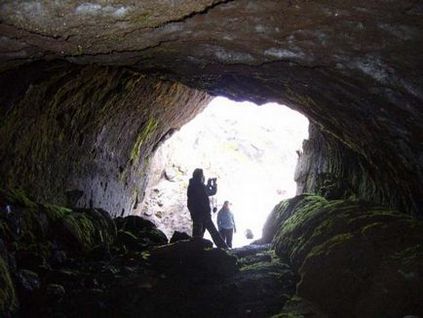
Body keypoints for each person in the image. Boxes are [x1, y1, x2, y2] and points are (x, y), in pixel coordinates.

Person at [187, 168, 228, 249]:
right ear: (200, 176)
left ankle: (195, 251)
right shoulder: (200, 186)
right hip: (203, 214)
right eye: (203, 176)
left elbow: (204, 192)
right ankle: (224, 249)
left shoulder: (192, 185)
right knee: (213, 233)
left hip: (196, 214)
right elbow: (212, 192)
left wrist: (208, 184)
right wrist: (213, 184)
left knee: (198, 234)